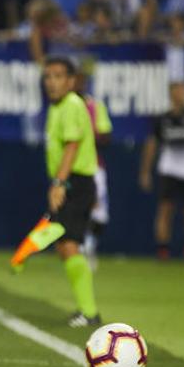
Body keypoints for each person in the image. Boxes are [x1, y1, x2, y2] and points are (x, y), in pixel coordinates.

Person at [42, 56, 101, 327]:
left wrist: (59, 184)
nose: (51, 82)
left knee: (69, 244)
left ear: (70, 81)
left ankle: (89, 312)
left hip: (76, 182)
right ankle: (86, 310)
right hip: (70, 181)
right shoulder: (57, 107)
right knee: (64, 245)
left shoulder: (73, 105)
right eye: (48, 76)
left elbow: (72, 147)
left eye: (57, 76)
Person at [139, 81, 184, 260]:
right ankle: (163, 249)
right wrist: (145, 171)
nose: (182, 93)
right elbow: (152, 144)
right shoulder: (162, 118)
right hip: (169, 169)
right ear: (171, 93)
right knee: (165, 209)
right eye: (179, 90)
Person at [74, 67, 112, 268]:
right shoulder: (65, 107)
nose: (79, 84)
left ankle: (89, 245)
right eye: (76, 80)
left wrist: (88, 135)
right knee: (74, 211)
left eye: (82, 80)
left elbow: (106, 136)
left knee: (100, 213)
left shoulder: (95, 106)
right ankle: (77, 249)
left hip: (94, 167)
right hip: (71, 168)